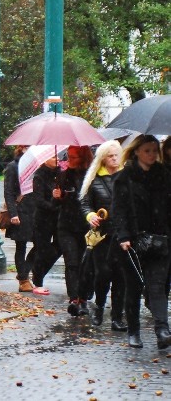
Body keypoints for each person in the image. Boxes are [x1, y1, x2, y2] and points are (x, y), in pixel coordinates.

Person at [111, 134, 171, 350]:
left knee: (157, 287)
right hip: (133, 242)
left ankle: (162, 330)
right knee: (134, 287)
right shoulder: (124, 178)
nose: (153, 154)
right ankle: (133, 331)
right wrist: (123, 236)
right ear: (136, 151)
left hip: (160, 241)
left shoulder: (164, 175)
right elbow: (118, 210)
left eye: (155, 150)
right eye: (148, 150)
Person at [79, 140, 126, 330]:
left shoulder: (128, 177)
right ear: (103, 158)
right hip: (102, 235)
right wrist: (90, 216)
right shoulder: (94, 178)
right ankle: (99, 308)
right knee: (103, 274)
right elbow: (85, 203)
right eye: (110, 155)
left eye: (117, 155)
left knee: (121, 275)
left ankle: (117, 316)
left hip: (123, 235)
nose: (114, 158)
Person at [57, 145, 93, 316]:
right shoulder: (63, 175)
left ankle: (84, 298)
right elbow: (59, 200)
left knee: (85, 264)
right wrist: (57, 196)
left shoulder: (91, 176)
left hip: (85, 227)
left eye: (73, 157)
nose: (69, 160)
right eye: (68, 157)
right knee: (71, 262)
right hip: (66, 226)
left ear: (83, 158)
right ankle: (73, 299)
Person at [4, 146, 34, 292]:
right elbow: (8, 192)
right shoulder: (13, 166)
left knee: (42, 245)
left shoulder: (37, 165)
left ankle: (24, 272)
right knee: (21, 245)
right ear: (20, 148)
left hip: (36, 211)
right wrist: (13, 213)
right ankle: (23, 279)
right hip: (21, 211)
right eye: (27, 146)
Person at [31, 154, 61, 294]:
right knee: (42, 249)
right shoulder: (39, 176)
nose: (57, 159)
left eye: (57, 157)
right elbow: (39, 200)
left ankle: (39, 274)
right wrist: (53, 201)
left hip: (57, 218)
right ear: (45, 159)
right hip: (43, 219)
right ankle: (38, 281)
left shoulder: (60, 174)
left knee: (59, 246)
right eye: (54, 157)